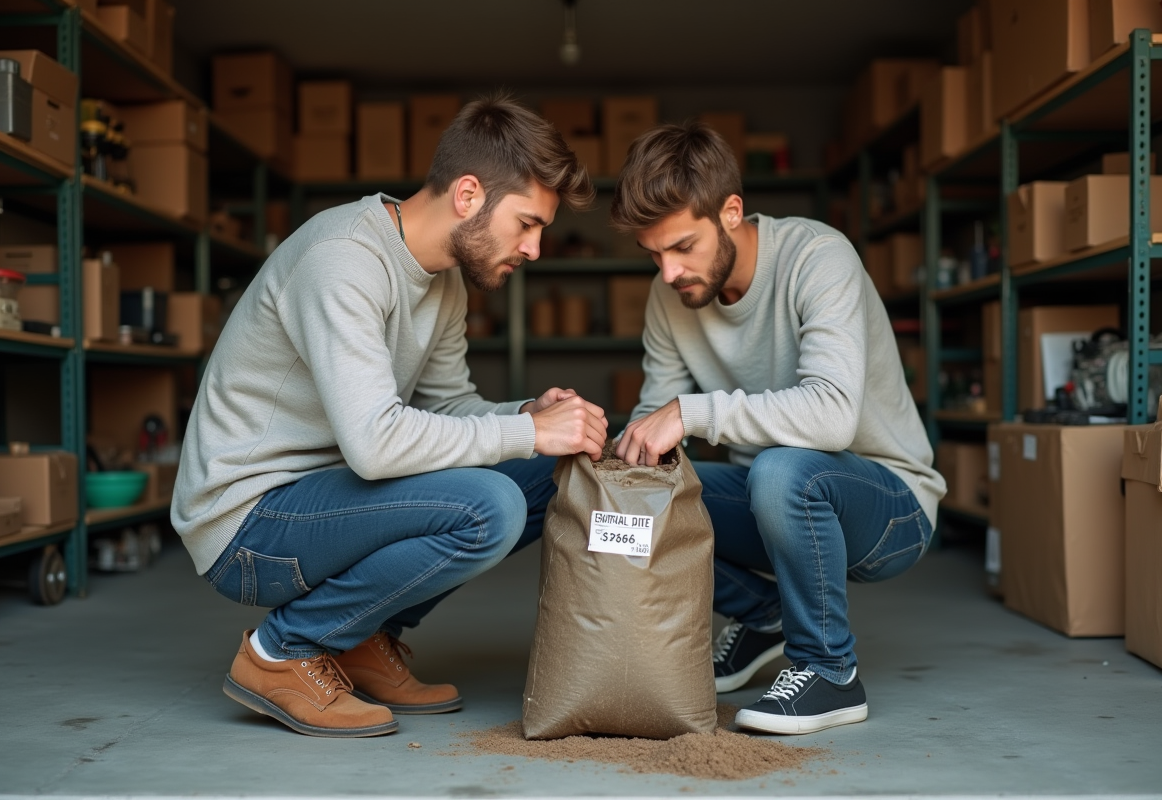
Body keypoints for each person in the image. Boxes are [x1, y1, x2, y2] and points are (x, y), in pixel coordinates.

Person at [172, 95, 607, 738]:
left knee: (547, 471)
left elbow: (447, 408)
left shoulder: (444, 278)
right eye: (526, 223)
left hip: (329, 496)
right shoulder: (343, 259)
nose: (535, 248)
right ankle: (282, 652)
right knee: (488, 506)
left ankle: (358, 637)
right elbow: (376, 445)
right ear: (468, 195)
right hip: (248, 524)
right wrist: (525, 431)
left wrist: (528, 418)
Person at [607, 122, 946, 735]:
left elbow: (832, 415)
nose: (669, 272)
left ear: (731, 212)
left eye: (683, 246)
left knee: (782, 470)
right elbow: (656, 416)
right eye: (653, 254)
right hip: (770, 501)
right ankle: (763, 616)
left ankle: (829, 671)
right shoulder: (670, 296)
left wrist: (692, 412)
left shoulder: (818, 259)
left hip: (890, 507)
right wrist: (613, 463)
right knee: (638, 494)